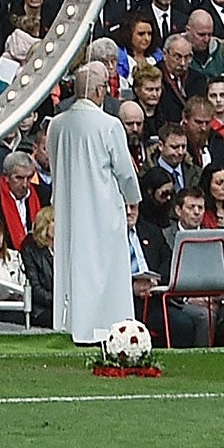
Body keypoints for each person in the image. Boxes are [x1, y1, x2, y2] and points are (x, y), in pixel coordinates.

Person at [48, 59, 140, 342]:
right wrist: (132, 200)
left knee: (73, 266)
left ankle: (72, 326)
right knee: (104, 272)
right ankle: (109, 331)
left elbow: (53, 163)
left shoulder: (56, 125)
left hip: (68, 207)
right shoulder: (109, 124)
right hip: (102, 210)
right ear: (99, 91)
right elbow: (125, 171)